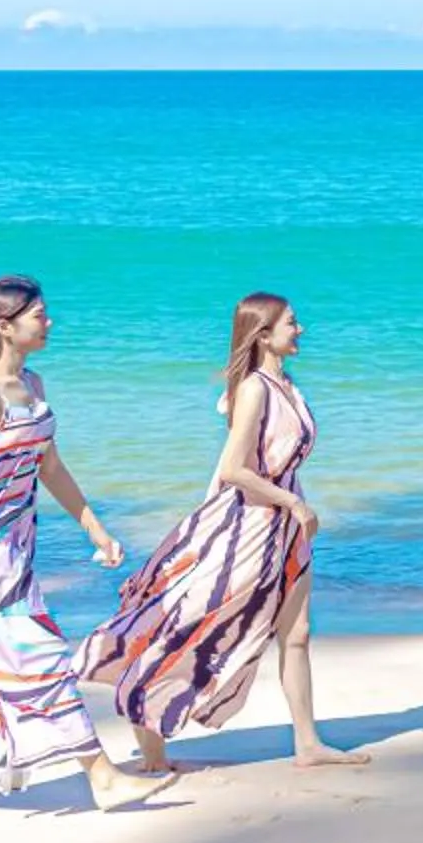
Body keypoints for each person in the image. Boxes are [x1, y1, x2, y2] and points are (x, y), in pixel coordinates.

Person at [0, 276, 169, 811]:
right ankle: (101, 774)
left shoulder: (34, 385)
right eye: (39, 314)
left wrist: (93, 524)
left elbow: (50, 465)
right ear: (5, 326)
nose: (50, 322)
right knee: (37, 650)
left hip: (17, 548)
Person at [78, 292, 369, 771]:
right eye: (292, 323)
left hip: (285, 532)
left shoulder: (289, 385)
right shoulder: (254, 389)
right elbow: (235, 469)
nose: (302, 330)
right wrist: (293, 502)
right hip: (251, 528)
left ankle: (308, 745)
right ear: (264, 335)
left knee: (296, 634)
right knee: (190, 622)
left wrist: (293, 509)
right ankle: (146, 725)